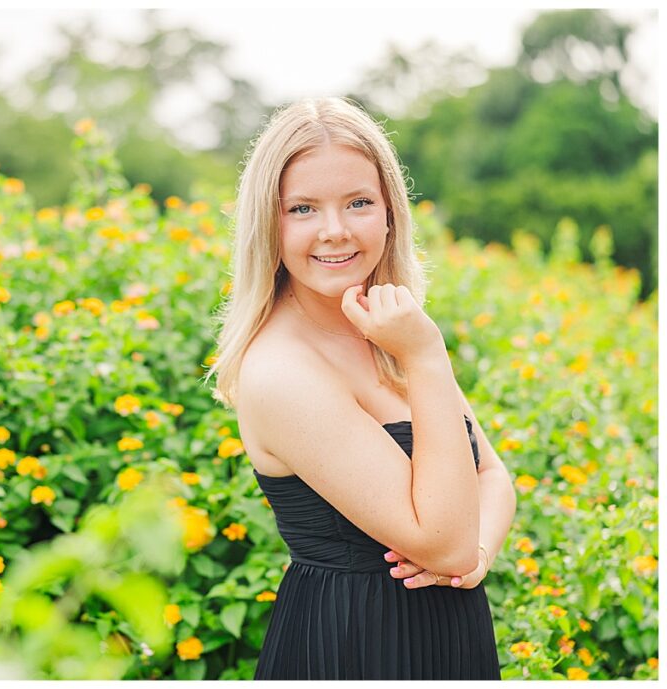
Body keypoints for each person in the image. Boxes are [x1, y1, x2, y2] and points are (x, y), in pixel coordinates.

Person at [204, 97, 517, 680]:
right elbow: (440, 541)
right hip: (355, 642)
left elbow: (493, 478)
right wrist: (425, 354)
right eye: (302, 208)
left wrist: (475, 558)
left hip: (452, 634)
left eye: (358, 203)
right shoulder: (281, 370)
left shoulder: (387, 327)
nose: (335, 231)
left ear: (391, 213)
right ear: (267, 224)